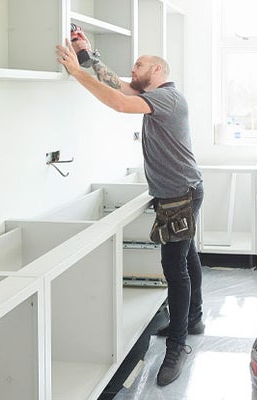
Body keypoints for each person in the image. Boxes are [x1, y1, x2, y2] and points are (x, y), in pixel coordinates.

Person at [55, 42, 204, 387]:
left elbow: (121, 103)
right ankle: (194, 318)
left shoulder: (168, 97)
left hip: (180, 196)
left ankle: (177, 346)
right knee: (188, 254)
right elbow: (118, 85)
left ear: (158, 71)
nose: (133, 71)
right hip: (179, 192)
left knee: (174, 267)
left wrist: (76, 73)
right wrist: (89, 55)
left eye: (139, 66)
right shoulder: (154, 95)